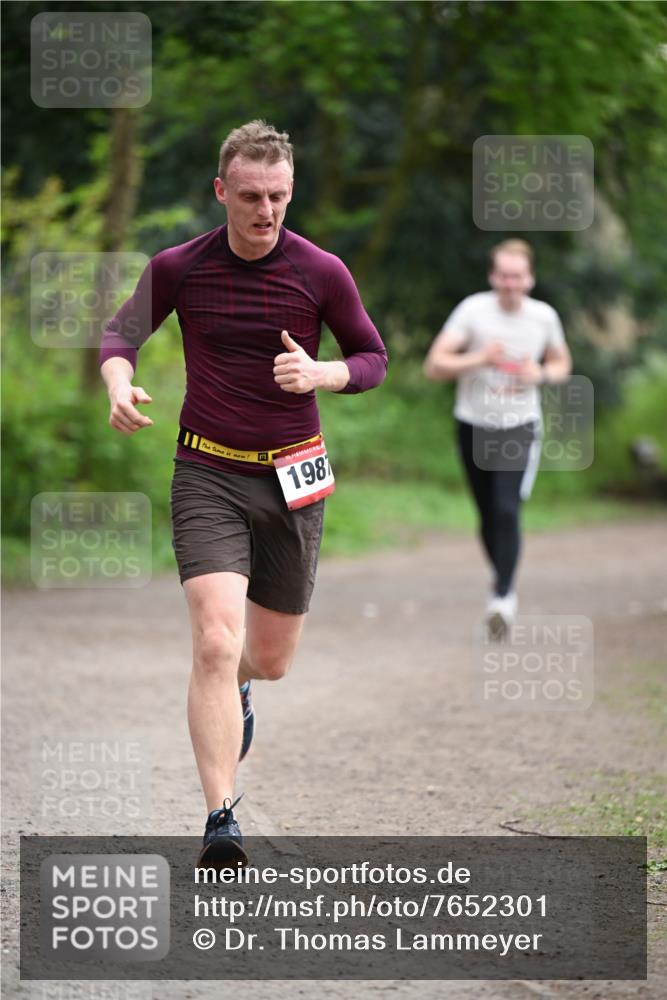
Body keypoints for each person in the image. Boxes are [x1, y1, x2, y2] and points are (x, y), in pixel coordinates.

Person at [99, 120, 387, 864]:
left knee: (268, 657)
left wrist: (323, 374)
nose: (266, 211)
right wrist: (119, 382)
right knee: (215, 642)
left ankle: (239, 690)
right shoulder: (179, 267)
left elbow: (371, 357)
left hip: (294, 477)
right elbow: (121, 335)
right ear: (222, 191)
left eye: (280, 196)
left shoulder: (321, 272)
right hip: (208, 471)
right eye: (252, 195)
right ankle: (220, 817)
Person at [423, 239, 571, 638]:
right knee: (488, 514)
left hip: (519, 425)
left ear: (530, 279)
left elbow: (561, 363)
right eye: (504, 275)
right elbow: (434, 365)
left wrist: (539, 374)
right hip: (473, 423)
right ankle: (500, 574)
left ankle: (503, 598)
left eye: (517, 276)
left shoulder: (543, 317)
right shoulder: (473, 310)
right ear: (493, 276)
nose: (510, 283)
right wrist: (480, 358)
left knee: (507, 509)